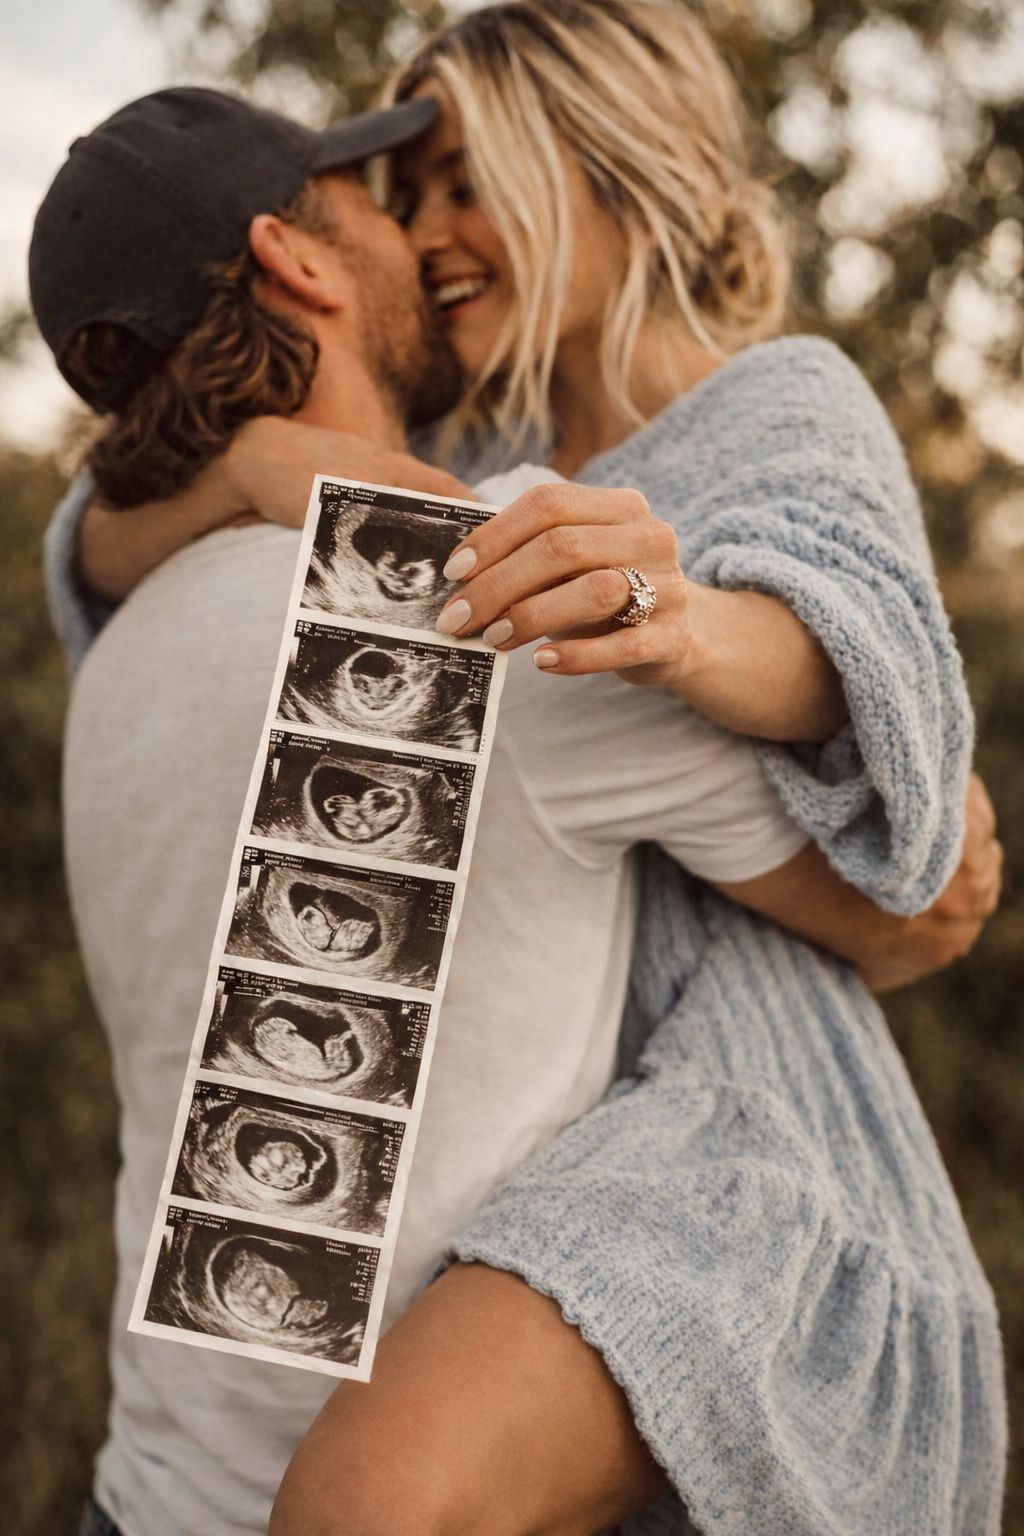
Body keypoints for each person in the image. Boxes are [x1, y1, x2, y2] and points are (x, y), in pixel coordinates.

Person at [33, 14, 1003, 1536]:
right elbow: (918, 905)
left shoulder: (759, 411)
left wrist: (690, 629)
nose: (426, 236)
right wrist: (255, 474)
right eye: (400, 202)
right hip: (509, 1224)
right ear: (300, 263)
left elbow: (863, 651)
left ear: (602, 169)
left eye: (461, 184)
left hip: (698, 1125)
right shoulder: (473, 507)